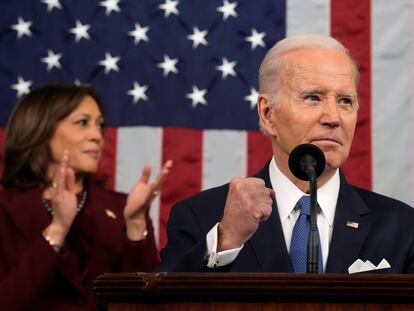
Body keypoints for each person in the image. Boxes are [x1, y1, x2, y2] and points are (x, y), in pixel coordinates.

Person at [155, 34, 414, 274]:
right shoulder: (202, 216)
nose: (334, 118)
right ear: (268, 114)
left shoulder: (401, 226)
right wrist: (227, 240)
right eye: (313, 97)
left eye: (345, 101)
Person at [0, 84, 173, 310]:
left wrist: (136, 224)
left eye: (99, 125)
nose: (97, 136)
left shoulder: (122, 208)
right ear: (40, 129)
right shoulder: (5, 209)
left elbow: (147, 303)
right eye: (82, 122)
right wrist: (57, 230)